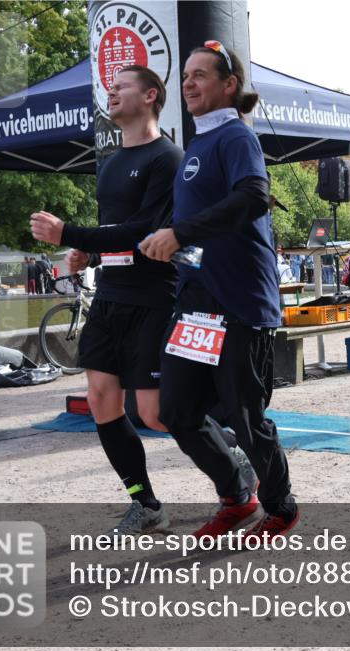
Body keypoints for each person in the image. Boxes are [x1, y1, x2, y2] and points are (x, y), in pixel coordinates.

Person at [138, 40, 298, 542]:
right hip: (196, 306)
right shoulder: (197, 145)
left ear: (229, 85)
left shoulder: (235, 137)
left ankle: (281, 508)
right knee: (177, 411)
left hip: (238, 303)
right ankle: (236, 496)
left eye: (200, 75)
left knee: (246, 420)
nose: (188, 83)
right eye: (185, 75)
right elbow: (183, 225)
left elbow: (254, 196)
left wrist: (181, 233)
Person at [30, 65, 185, 535]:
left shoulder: (168, 158)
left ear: (150, 95)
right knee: (101, 400)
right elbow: (116, 230)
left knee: (156, 413)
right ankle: (145, 502)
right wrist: (89, 254)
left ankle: (235, 458)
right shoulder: (112, 163)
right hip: (111, 297)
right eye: (110, 88)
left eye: (121, 87)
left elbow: (144, 230)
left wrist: (69, 233)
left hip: (154, 296)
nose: (111, 93)